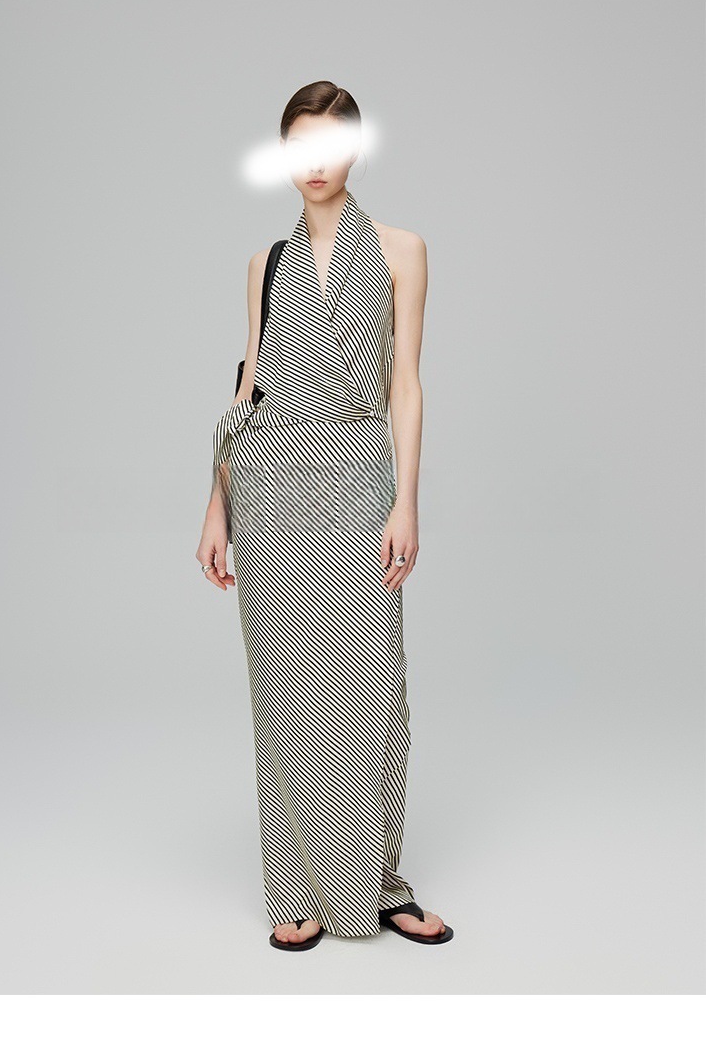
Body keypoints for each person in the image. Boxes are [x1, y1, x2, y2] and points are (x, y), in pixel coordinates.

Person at [196, 81, 452, 950]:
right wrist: (216, 505)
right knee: (285, 695)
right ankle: (295, 889)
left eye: (330, 146)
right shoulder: (265, 265)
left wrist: (407, 500)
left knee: (375, 693)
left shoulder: (402, 250)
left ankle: (377, 884)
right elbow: (248, 387)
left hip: (358, 479)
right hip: (269, 486)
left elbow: (406, 384)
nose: (314, 164)